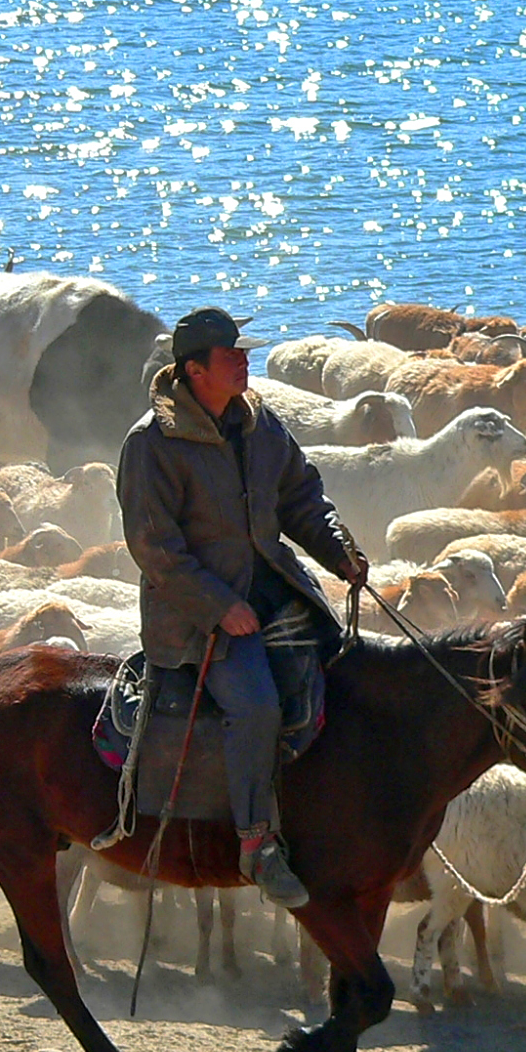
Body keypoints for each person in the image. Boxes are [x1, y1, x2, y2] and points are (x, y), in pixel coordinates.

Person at [116, 307, 368, 908]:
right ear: (194, 369)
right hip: (195, 614)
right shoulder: (152, 444)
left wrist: (340, 552)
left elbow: (303, 496)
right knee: (255, 704)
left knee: (347, 669)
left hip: (272, 587)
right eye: (231, 354)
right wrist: (219, 606)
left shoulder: (258, 424)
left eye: (244, 351)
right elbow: (156, 549)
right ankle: (256, 844)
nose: (244, 360)